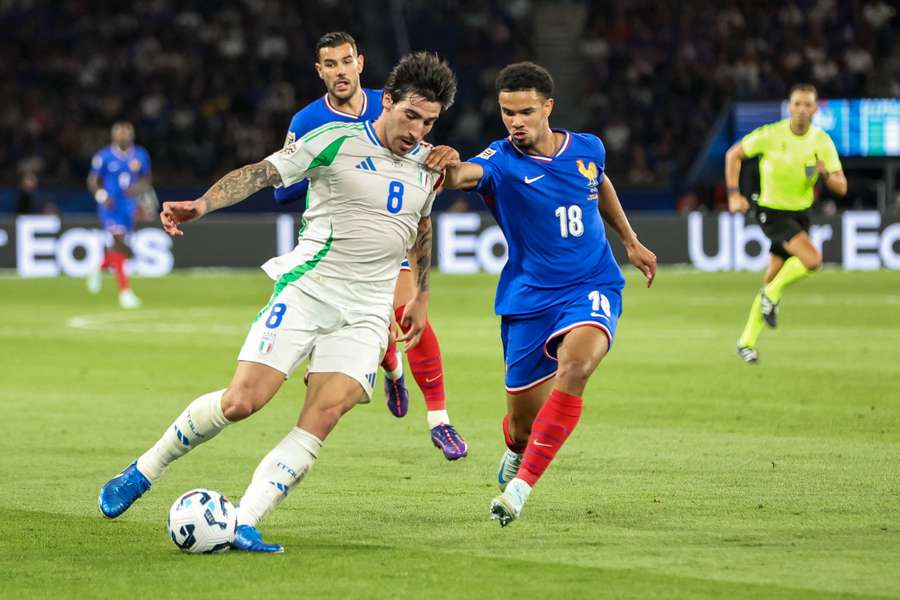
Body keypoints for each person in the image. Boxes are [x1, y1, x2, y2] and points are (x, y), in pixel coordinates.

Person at [97, 52, 458, 552]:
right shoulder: (333, 141)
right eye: (410, 116)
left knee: (323, 416)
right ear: (388, 101)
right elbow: (262, 174)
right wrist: (202, 203)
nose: (417, 131)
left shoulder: (431, 167)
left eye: (430, 122)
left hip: (368, 312)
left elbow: (420, 225)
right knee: (242, 401)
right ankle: (144, 470)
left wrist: (420, 291)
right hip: (308, 290)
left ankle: (244, 520)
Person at [438, 62, 657, 526]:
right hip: (529, 299)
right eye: (506, 112)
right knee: (521, 427)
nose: (515, 121)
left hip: (593, 285)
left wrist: (630, 242)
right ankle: (517, 452)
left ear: (548, 108)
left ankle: (519, 490)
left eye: (525, 111)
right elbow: (464, 175)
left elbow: (599, 183)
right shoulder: (500, 161)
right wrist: (445, 162)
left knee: (576, 367)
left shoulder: (588, 148)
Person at [275, 31, 466, 460]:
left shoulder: (394, 102)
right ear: (319, 71)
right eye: (330, 64)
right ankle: (391, 367)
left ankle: (440, 419)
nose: (340, 71)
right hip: (338, 237)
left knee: (407, 310)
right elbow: (282, 192)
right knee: (359, 326)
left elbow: (425, 156)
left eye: (346, 61)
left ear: (360, 63)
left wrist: (447, 155)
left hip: (390, 230)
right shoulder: (308, 123)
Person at [726, 83, 847, 364]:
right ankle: (770, 296)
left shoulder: (822, 142)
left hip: (801, 214)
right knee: (812, 260)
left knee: (773, 276)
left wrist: (826, 175)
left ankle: (745, 342)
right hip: (771, 212)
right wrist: (734, 195)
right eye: (797, 104)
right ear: (789, 106)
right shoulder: (771, 134)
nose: (802, 110)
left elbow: (842, 186)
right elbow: (733, 155)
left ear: (815, 109)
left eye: (808, 105)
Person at [86, 122, 153, 309]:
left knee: (119, 248)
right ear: (113, 136)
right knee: (119, 242)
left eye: (126, 133)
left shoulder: (140, 155)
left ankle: (98, 268)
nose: (123, 136)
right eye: (119, 133)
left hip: (128, 206)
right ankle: (125, 292)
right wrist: (101, 194)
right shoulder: (104, 156)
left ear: (132, 136)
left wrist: (137, 189)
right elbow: (93, 180)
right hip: (110, 205)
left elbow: (146, 179)